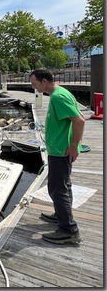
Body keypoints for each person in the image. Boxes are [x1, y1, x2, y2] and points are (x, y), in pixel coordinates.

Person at [30, 69, 85, 244]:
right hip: (59, 149)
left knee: (56, 189)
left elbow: (79, 121)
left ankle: (68, 230)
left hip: (61, 151)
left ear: (44, 81)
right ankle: (60, 215)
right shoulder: (60, 93)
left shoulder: (57, 97)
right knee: (64, 186)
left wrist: (74, 145)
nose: (34, 88)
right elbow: (80, 116)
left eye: (35, 84)